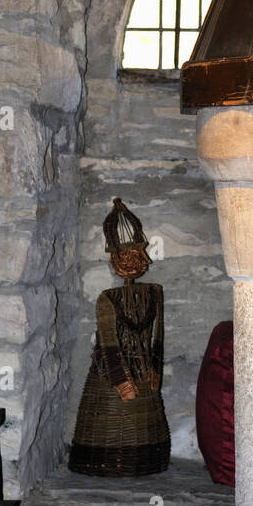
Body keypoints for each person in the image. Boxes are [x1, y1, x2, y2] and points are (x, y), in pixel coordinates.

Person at [69, 198, 171, 477]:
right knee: (111, 424)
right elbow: (109, 344)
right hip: (128, 374)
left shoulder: (145, 294)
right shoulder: (130, 296)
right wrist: (126, 380)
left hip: (138, 372)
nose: (136, 263)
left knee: (142, 423)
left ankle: (143, 458)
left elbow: (157, 335)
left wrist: (152, 369)